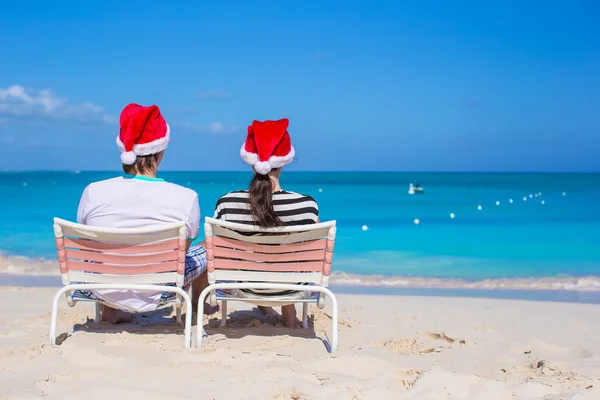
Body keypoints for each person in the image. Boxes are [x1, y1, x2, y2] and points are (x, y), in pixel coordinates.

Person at [76, 103, 217, 323]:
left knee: (104, 251)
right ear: (160, 151)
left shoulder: (93, 191)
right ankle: (197, 310)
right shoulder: (186, 197)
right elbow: (182, 253)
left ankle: (110, 311)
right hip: (161, 290)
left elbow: (88, 243)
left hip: (101, 287)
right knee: (206, 247)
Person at [213, 118, 319, 327]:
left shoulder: (227, 202)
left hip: (244, 287)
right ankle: (288, 311)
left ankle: (266, 297)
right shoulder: (307, 205)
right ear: (285, 160)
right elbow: (309, 254)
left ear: (251, 160)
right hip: (292, 289)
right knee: (290, 254)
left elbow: (222, 251)